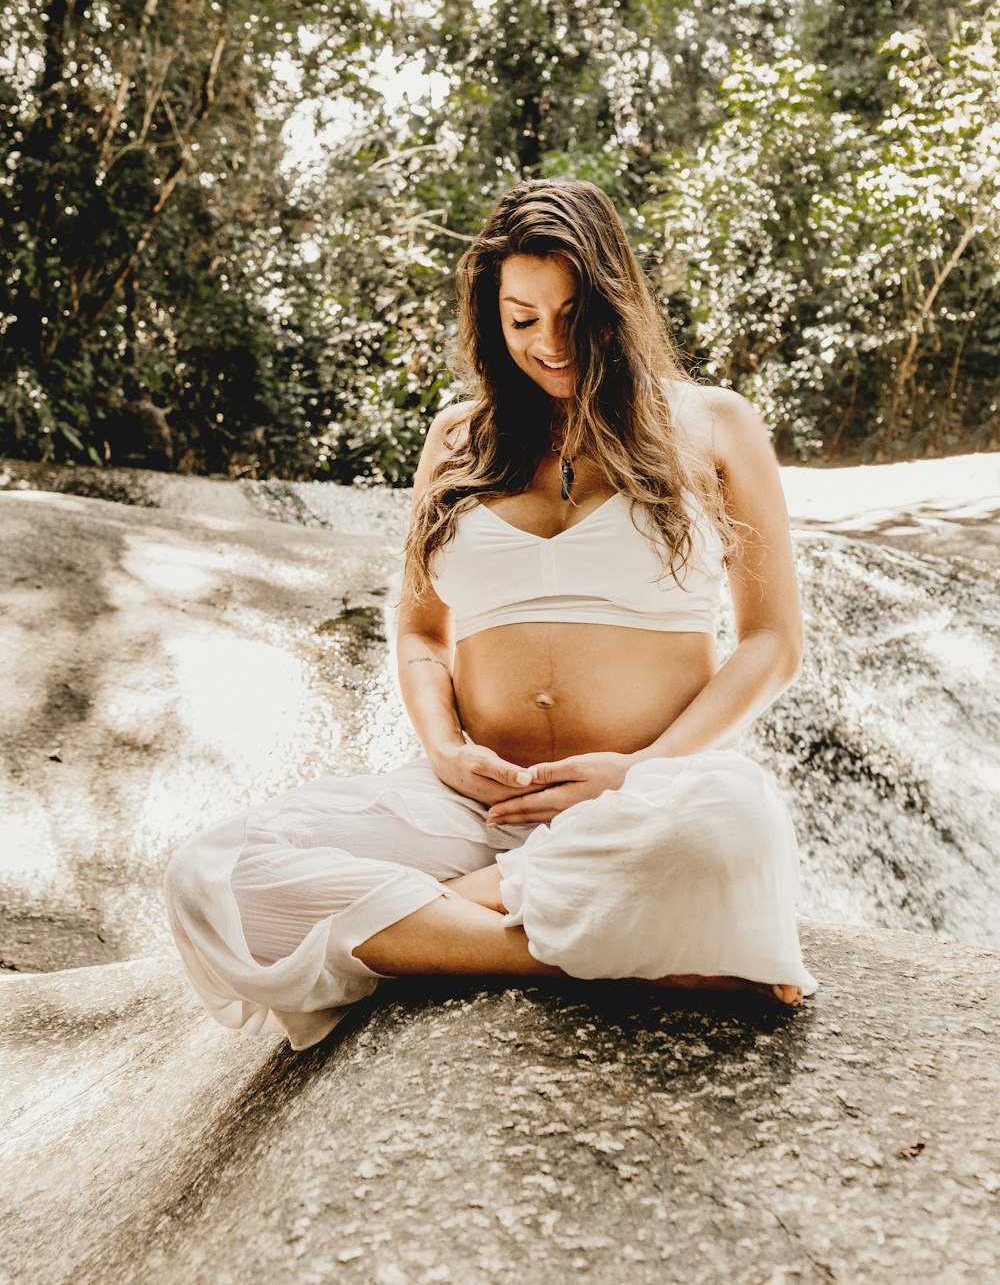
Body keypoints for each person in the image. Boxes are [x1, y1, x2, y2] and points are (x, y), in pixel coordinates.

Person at [164, 178, 816, 1051]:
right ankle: (591, 944)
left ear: (615, 303)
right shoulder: (457, 438)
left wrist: (641, 770)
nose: (549, 344)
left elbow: (772, 642)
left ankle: (431, 931)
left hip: (646, 801)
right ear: (492, 317)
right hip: (475, 812)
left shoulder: (713, 424)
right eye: (522, 320)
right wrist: (443, 750)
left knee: (731, 822)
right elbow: (423, 633)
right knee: (215, 870)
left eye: (573, 315)